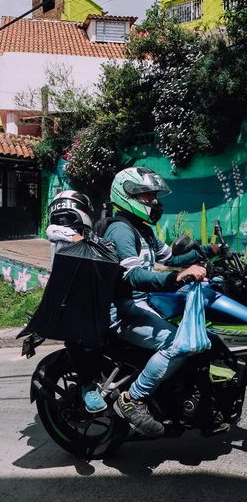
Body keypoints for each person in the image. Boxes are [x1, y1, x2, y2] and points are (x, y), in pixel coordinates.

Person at [101, 166, 220, 437]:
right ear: (126, 195)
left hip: (143, 302)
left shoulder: (143, 230)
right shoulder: (120, 231)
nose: (153, 201)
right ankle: (132, 399)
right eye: (146, 196)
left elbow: (171, 259)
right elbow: (133, 275)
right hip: (122, 309)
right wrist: (177, 278)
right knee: (177, 342)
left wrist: (208, 251)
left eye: (153, 195)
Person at [46, 190, 107, 413]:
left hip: (92, 294)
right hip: (67, 298)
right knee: (80, 338)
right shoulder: (61, 234)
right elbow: (52, 230)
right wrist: (74, 237)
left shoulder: (90, 236)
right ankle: (87, 385)